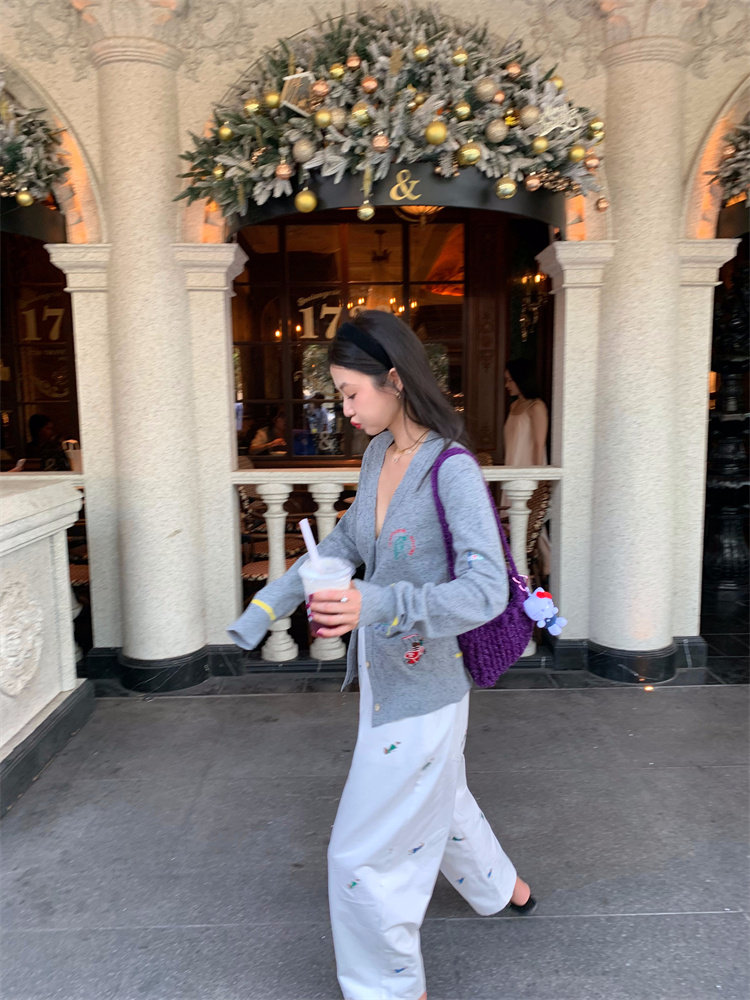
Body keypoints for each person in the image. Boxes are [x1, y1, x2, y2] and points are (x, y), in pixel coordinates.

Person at [227, 310, 536, 1000]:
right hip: (383, 677)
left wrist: (377, 604)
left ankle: (390, 987)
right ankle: (502, 888)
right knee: (441, 792)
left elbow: (485, 591)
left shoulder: (451, 471)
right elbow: (342, 545)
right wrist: (266, 607)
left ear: (394, 380)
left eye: (350, 392)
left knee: (360, 855)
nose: (344, 408)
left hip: (426, 688)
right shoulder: (377, 457)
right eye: (339, 393)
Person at [502, 358, 551, 580]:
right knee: (513, 522)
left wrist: (537, 479)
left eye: (510, 380)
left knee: (531, 525)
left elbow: (539, 445)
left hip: (528, 472)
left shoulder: (536, 406)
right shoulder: (513, 406)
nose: (507, 385)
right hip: (511, 470)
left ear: (521, 379)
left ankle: (543, 569)